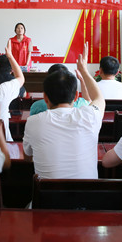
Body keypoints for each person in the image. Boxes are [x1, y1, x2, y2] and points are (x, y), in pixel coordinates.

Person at [23, 42, 105, 179]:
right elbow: (99, 98)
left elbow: (27, 157)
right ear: (76, 96)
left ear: (45, 97)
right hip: (89, 193)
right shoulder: (90, 116)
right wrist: (84, 70)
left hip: (47, 194)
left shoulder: (33, 122)